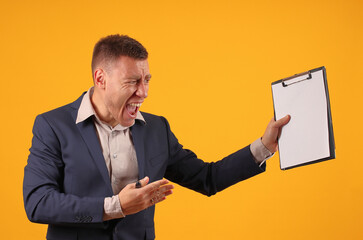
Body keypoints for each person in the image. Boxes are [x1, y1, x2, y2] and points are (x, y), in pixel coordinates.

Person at [23, 34, 290, 240]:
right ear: (100, 78)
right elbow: (37, 203)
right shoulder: (52, 126)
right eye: (132, 82)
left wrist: (264, 146)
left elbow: (208, 178)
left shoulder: (156, 129)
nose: (144, 92)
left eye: (147, 80)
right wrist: (115, 206)